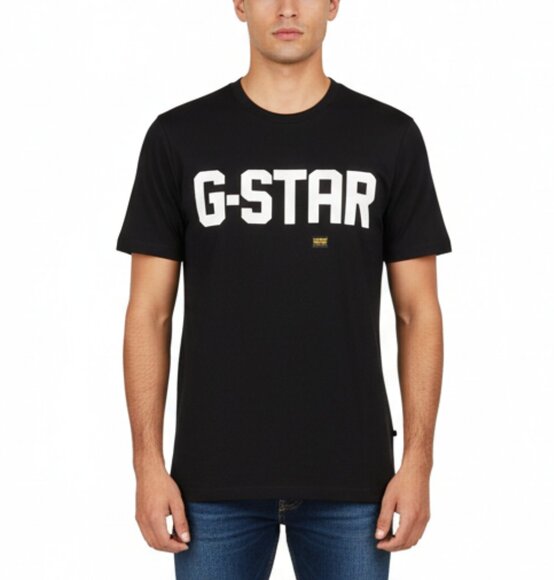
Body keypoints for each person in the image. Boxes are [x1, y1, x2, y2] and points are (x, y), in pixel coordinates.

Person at [116, 1, 452, 578]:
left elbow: (418, 312)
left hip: (354, 483)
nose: (288, 8)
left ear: (333, 4)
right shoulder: (179, 137)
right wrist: (146, 464)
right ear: (239, 5)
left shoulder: (389, 136)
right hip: (210, 483)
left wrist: (418, 462)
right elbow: (149, 313)